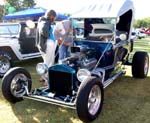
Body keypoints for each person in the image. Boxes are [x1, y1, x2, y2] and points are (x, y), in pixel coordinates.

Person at [36, 9, 57, 82]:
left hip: (46, 43)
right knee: (48, 62)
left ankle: (44, 77)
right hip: (48, 43)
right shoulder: (45, 21)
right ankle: (47, 80)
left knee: (47, 61)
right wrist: (48, 35)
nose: (55, 19)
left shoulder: (43, 21)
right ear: (51, 16)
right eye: (55, 17)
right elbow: (43, 31)